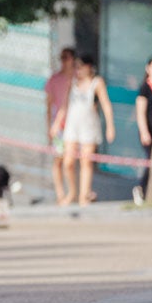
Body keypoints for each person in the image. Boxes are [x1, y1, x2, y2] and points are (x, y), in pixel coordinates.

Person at [53, 52, 115, 207]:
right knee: (68, 162)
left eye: (80, 67)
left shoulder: (97, 82)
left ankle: (84, 196)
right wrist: (56, 123)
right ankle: (72, 192)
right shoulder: (72, 82)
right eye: (76, 67)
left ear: (88, 67)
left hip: (89, 126)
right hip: (72, 126)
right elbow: (64, 106)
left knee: (86, 162)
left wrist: (110, 126)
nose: (78, 70)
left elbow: (105, 104)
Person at [45, 47, 76, 205]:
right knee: (58, 159)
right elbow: (49, 105)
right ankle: (60, 193)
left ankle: (74, 192)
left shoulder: (78, 79)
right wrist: (50, 126)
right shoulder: (54, 79)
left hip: (76, 126)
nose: (64, 61)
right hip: (59, 127)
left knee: (70, 161)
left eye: (67, 58)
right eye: (62, 58)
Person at [135, 56, 152, 206]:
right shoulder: (145, 88)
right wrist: (144, 131)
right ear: (148, 68)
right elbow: (140, 112)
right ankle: (141, 189)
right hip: (148, 132)